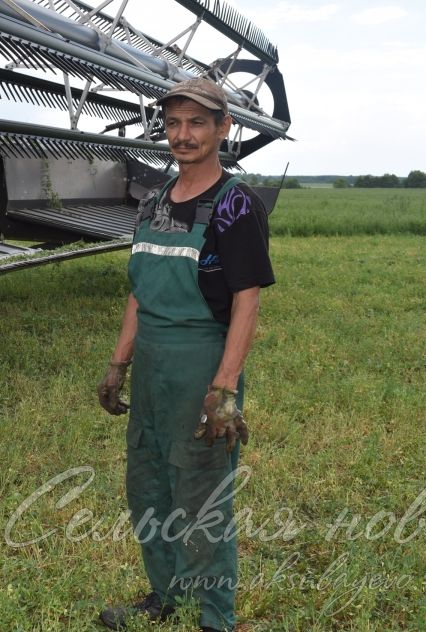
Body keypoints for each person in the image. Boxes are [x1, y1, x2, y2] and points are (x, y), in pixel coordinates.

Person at [96, 78, 275, 631]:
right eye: (173, 123)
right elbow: (138, 290)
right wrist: (118, 362)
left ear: (223, 128)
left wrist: (224, 388)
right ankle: (164, 596)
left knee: (201, 498)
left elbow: (247, 301)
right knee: (148, 485)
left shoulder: (234, 205)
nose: (183, 134)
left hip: (201, 362)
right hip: (151, 364)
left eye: (197, 122)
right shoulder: (152, 202)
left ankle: (215, 618)